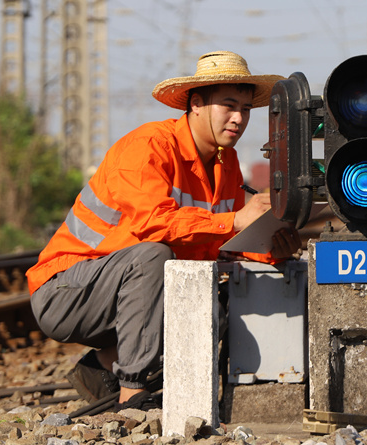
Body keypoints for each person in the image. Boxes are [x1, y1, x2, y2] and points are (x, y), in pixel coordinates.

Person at [26, 51, 302, 411]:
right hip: (65, 291)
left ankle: (102, 367)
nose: (239, 118)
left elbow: (218, 244)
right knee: (154, 256)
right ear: (196, 104)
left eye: (246, 109)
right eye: (229, 106)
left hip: (125, 291)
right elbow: (154, 224)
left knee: (214, 302)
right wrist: (236, 220)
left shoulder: (227, 163)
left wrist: (269, 247)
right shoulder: (148, 148)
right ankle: (132, 395)